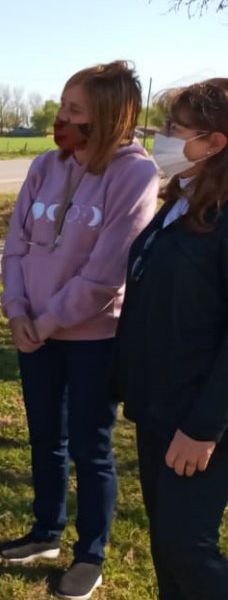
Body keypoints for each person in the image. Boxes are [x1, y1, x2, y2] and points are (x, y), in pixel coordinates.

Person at [0, 60, 159, 599]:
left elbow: (105, 274)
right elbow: (15, 246)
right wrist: (18, 310)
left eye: (74, 110)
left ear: (111, 117)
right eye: (62, 106)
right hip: (32, 333)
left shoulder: (136, 175)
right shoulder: (46, 165)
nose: (60, 118)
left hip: (92, 339)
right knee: (45, 437)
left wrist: (45, 321)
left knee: (90, 447)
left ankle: (90, 552)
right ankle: (46, 530)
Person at [114, 78, 228, 600]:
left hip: (201, 420)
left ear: (214, 142)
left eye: (174, 128)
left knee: (188, 546)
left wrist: (204, 427)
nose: (161, 136)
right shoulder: (183, 202)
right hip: (160, 407)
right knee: (166, 544)